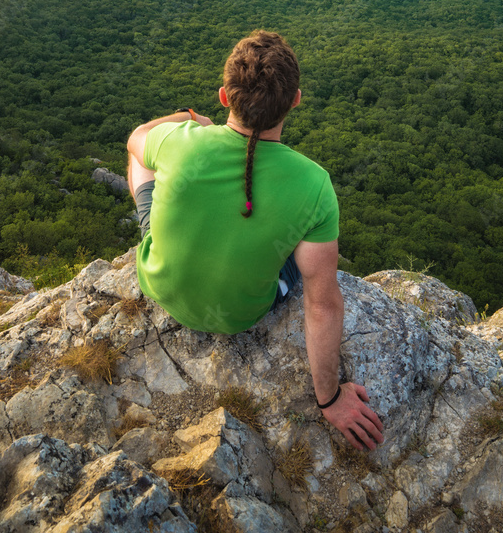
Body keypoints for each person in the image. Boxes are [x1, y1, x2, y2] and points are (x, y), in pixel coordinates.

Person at [126, 29, 383, 452]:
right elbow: (321, 302)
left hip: (159, 285)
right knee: (303, 247)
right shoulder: (314, 184)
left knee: (142, 160)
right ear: (295, 101)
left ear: (225, 96)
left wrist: (189, 118)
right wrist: (330, 398)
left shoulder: (181, 141)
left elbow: (136, 137)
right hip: (239, 315)